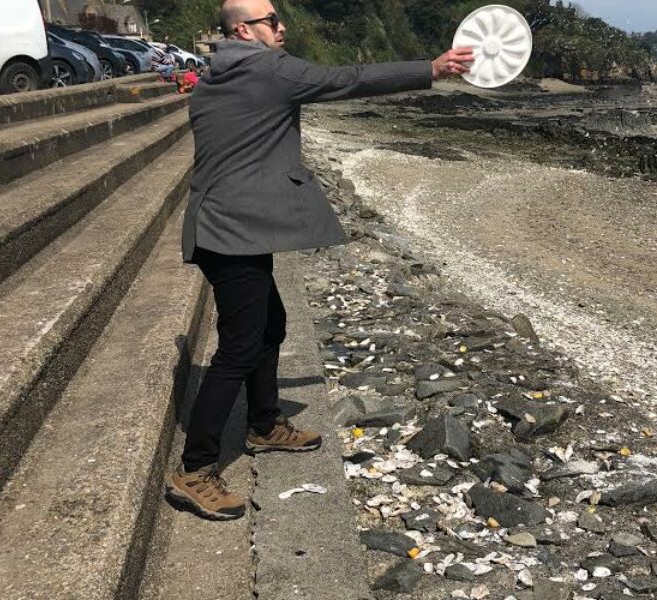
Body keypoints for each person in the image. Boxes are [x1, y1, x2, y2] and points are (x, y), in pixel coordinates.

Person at [167, 0, 473, 520]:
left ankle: (264, 425)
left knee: (272, 325)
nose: (281, 28)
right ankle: (195, 469)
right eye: (271, 20)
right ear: (244, 29)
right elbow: (344, 80)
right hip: (231, 228)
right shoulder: (263, 66)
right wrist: (431, 68)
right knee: (240, 347)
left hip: (232, 221)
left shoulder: (217, 70)